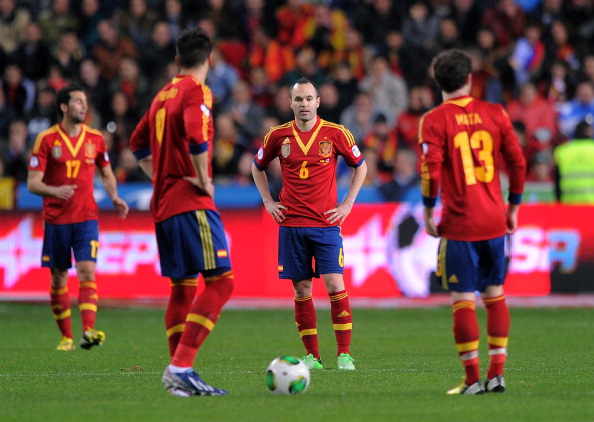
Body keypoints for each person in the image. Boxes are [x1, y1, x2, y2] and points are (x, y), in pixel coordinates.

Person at [130, 28, 234, 397]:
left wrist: (161, 175)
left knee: (183, 286)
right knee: (222, 282)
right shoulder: (196, 90)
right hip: (190, 200)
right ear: (210, 60)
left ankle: (178, 378)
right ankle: (181, 366)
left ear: (177, 60)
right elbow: (195, 133)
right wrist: (203, 178)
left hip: (163, 203)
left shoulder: (162, 95)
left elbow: (137, 142)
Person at [419, 50, 526, 395]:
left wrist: (428, 210)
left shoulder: (434, 120)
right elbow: (518, 162)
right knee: (495, 295)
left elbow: (431, 170)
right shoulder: (495, 112)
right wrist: (513, 206)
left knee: (463, 299)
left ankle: (471, 380)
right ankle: (497, 375)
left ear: (438, 82)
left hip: (460, 224)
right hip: (494, 221)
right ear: (469, 79)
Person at [251, 77, 367, 371]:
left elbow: (361, 166)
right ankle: (312, 357)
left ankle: (344, 354)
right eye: (298, 99)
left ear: (318, 102)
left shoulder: (336, 133)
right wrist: (268, 202)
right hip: (291, 224)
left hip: (326, 223)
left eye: (308, 99)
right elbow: (257, 166)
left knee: (335, 284)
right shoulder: (278, 135)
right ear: (290, 103)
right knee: (302, 289)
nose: (304, 104)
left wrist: (347, 204)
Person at [27, 85, 129, 352]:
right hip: (56, 219)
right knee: (58, 278)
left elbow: (106, 173)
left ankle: (88, 330)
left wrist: (115, 196)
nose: (84, 106)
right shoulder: (46, 140)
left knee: (86, 271)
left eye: (85, 101)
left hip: (86, 217)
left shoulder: (96, 139)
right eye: (78, 101)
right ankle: (66, 337)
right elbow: (32, 183)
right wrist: (54, 190)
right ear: (64, 107)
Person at [553, 119, 594, 203]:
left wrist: (558, 202)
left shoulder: (561, 151)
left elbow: (557, 180)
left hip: (568, 203)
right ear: (588, 132)